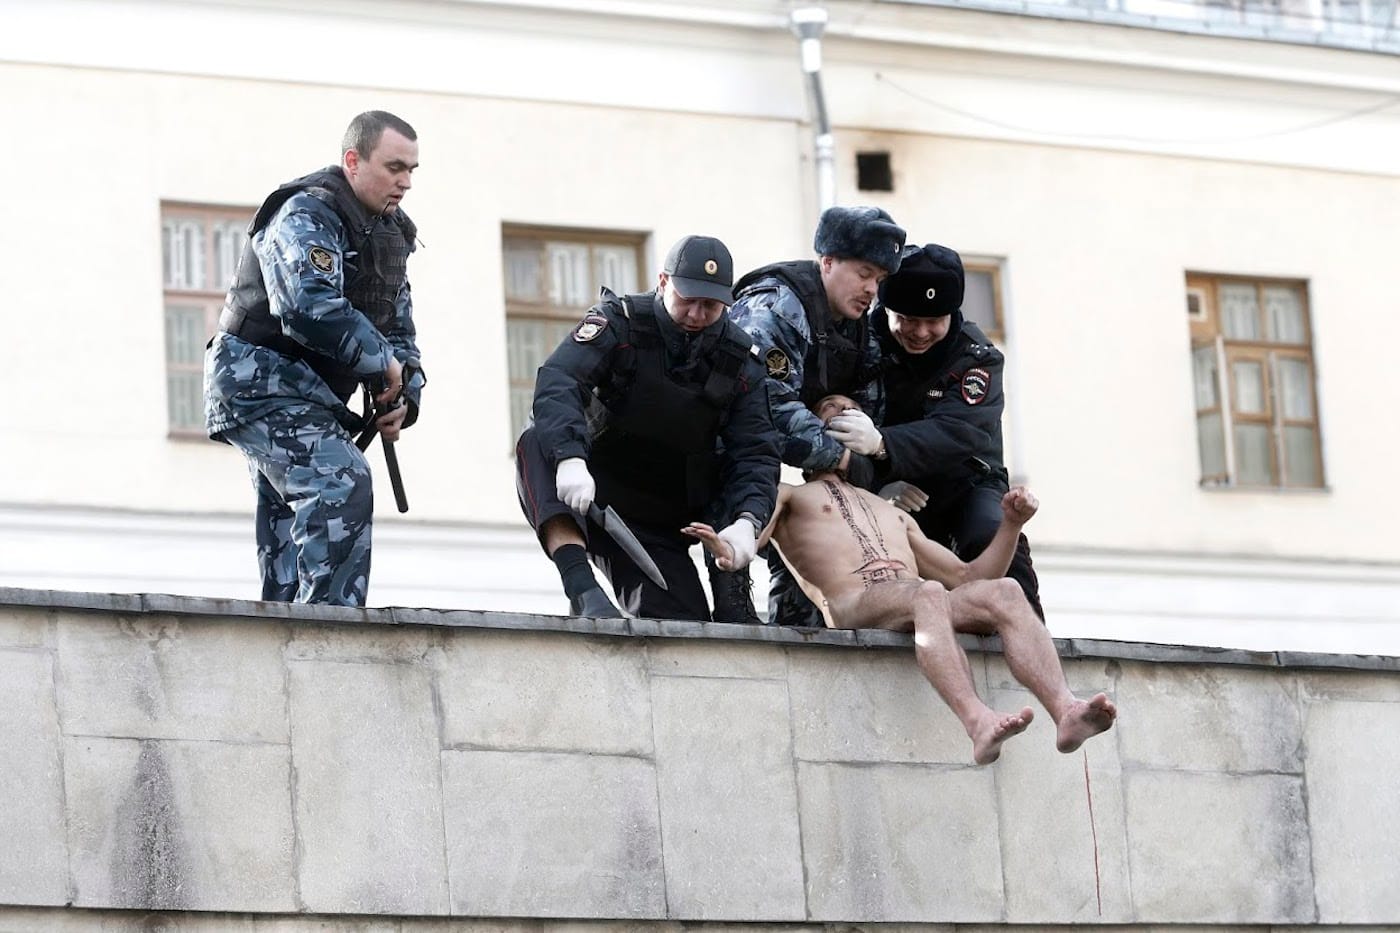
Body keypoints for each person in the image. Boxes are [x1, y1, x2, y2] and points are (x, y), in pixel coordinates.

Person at [685, 394, 1116, 765]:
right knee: (927, 593)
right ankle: (977, 722)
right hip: (855, 603)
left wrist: (1011, 526)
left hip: (913, 598)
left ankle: (1066, 711)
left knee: (1004, 591)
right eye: (829, 409)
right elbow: (750, 533)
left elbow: (968, 575)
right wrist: (729, 550)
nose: (842, 412)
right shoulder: (790, 494)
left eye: (852, 408)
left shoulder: (891, 508)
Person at [204, 111, 425, 606]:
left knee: (289, 535)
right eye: (394, 167)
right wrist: (379, 362)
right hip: (258, 381)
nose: (405, 182)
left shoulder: (389, 237)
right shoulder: (307, 212)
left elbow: (401, 331)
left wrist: (403, 395)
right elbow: (305, 305)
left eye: (412, 170)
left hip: (311, 397)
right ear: (353, 161)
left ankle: (288, 645)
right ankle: (332, 644)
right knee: (338, 482)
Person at [515, 234, 781, 621]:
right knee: (539, 439)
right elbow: (560, 380)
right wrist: (570, 458)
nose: (696, 314)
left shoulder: (741, 361)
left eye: (710, 305)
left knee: (682, 630)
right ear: (662, 282)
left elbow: (755, 451)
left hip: (657, 520)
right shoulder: (620, 323)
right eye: (687, 299)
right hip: (591, 492)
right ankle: (581, 588)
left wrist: (747, 520)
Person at [826, 243, 1044, 619]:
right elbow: (831, 418)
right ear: (887, 308)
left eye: (935, 320)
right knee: (829, 533)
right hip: (884, 486)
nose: (922, 332)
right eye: (908, 319)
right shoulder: (859, 344)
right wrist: (877, 486)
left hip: (967, 483)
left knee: (991, 534)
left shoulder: (977, 358)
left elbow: (961, 432)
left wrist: (884, 444)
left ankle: (1028, 630)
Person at [722, 205, 907, 624]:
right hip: (724, 450)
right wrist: (844, 458)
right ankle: (733, 606)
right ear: (827, 261)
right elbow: (766, 404)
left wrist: (878, 457)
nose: (871, 289)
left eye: (879, 279)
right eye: (863, 273)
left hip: (796, 463)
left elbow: (868, 407)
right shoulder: (777, 304)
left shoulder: (859, 326)